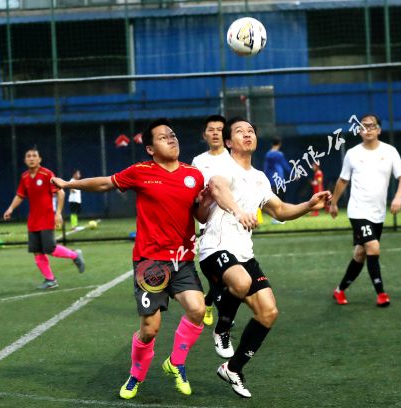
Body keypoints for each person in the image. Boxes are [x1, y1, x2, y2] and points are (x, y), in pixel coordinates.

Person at [51, 118, 211, 399]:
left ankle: (176, 363)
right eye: (163, 137)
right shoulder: (140, 172)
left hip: (182, 259)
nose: (171, 139)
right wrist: (69, 183)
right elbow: (104, 184)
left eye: (173, 135)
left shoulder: (194, 175)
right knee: (150, 329)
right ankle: (136, 376)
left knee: (198, 310)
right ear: (150, 148)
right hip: (150, 262)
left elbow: (199, 214)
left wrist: (208, 203)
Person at [199, 117, 331, 398]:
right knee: (241, 282)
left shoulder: (260, 177)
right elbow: (219, 190)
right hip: (216, 247)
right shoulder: (222, 167)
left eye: (251, 131)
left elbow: (280, 210)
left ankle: (233, 368)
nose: (247, 134)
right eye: (239, 131)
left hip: (244, 254)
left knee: (269, 312)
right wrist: (238, 212)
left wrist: (309, 204)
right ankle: (222, 328)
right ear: (228, 142)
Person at [329, 114, 401, 307]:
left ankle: (339, 290)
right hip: (358, 211)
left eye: (372, 126)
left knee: (360, 254)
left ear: (379, 130)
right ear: (359, 131)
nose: (368, 129)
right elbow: (343, 180)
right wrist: (334, 203)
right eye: (364, 126)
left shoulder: (390, 151)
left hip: (378, 213)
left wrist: (398, 197)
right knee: (373, 246)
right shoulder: (352, 154)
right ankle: (381, 294)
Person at [3, 148, 85, 290]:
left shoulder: (47, 174)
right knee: (37, 251)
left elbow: (61, 193)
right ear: (25, 160)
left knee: (50, 248)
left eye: (34, 156)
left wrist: (58, 214)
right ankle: (50, 280)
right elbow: (20, 195)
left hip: (46, 218)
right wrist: (10, 209)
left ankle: (74, 255)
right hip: (32, 221)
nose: (31, 158)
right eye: (28, 156)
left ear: (39, 159)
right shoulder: (24, 177)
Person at [191, 114, 230, 326]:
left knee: (230, 276)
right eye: (211, 130)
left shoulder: (233, 158)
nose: (215, 133)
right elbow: (194, 196)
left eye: (219, 129)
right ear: (204, 135)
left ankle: (208, 301)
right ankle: (224, 315)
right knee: (217, 273)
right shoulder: (198, 162)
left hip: (232, 225)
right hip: (208, 225)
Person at [263, 137, 291, 201]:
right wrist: (293, 174)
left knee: (274, 199)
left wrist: (265, 178)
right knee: (282, 199)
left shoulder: (268, 154)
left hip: (271, 179)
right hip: (280, 179)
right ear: (280, 144)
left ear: (272, 144)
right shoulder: (279, 154)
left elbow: (266, 168)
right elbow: (285, 165)